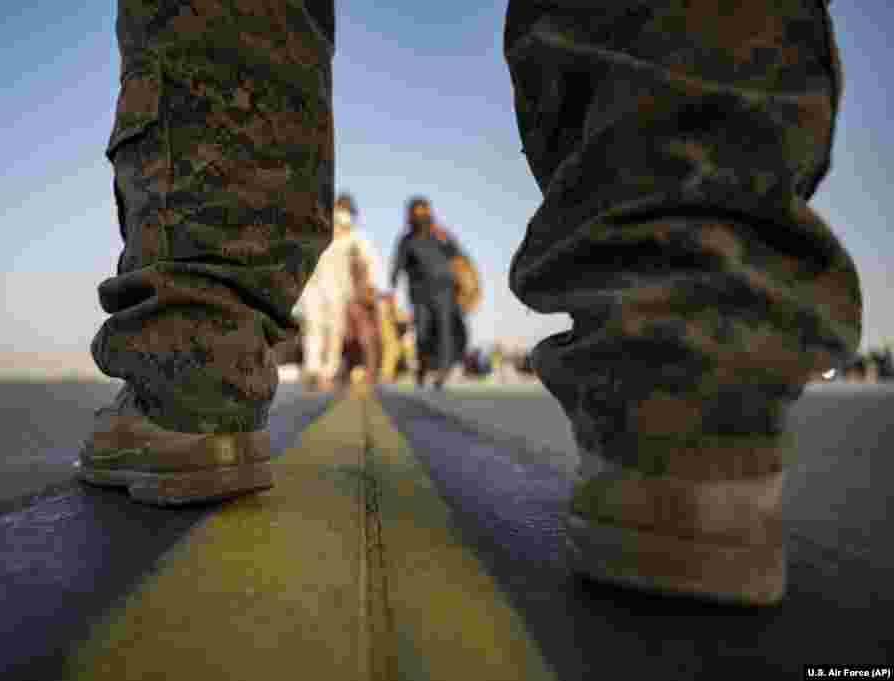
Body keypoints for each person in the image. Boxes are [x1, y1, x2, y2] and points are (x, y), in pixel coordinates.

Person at [80, 0, 860, 606]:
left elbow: (413, 266)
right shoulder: (409, 239)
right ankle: (689, 388)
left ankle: (193, 374)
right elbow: (383, 262)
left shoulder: (435, 238)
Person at [295, 193, 380, 391]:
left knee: (335, 330)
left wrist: (370, 285)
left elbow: (369, 259)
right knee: (313, 326)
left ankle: (328, 370)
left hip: (339, 289)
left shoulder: (354, 236)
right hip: (313, 285)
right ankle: (313, 369)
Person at [389, 197, 465, 390]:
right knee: (422, 332)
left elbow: (458, 256)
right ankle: (422, 368)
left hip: (445, 290)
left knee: (444, 329)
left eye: (425, 211)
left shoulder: (440, 233)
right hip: (419, 294)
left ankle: (443, 371)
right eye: (418, 212)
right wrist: (392, 288)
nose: (422, 215)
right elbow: (397, 266)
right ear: (410, 215)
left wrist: (462, 284)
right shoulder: (406, 240)